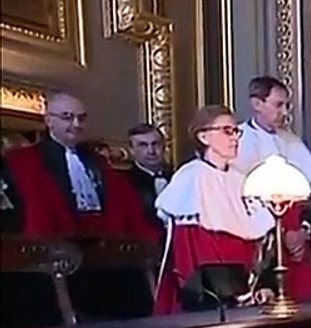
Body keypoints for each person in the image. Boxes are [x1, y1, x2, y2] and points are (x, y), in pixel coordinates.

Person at [153, 105, 275, 315]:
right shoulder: (191, 177)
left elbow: (257, 238)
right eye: (227, 131)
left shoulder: (241, 179)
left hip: (247, 283)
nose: (235, 138)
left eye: (236, 131)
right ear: (204, 137)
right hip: (208, 291)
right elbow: (189, 247)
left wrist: (262, 283)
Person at [5, 91, 155, 239]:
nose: (76, 124)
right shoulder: (26, 160)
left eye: (81, 118)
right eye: (67, 117)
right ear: (49, 121)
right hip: (55, 243)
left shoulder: (97, 161)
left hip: (101, 244)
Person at [231, 75, 311, 302]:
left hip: (297, 240)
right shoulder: (237, 142)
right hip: (259, 243)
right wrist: (278, 234)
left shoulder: (292, 141)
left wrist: (304, 232)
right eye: (278, 105)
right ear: (257, 104)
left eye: (286, 105)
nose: (285, 112)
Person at [121, 122, 173, 236]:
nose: (151, 151)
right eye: (143, 145)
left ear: (164, 146)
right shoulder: (124, 183)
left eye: (155, 144)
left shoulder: (177, 179)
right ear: (131, 150)